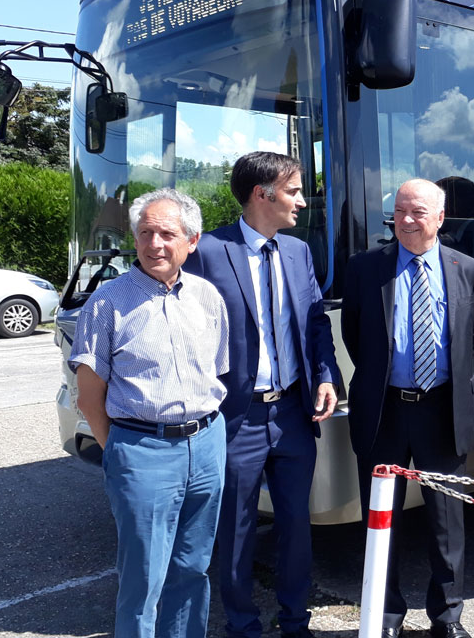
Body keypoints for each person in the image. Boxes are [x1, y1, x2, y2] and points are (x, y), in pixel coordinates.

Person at [185, 151, 340, 638]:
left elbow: (315, 323)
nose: (301, 200)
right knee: (236, 530)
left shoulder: (297, 252)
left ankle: (296, 622)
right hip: (237, 418)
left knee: (296, 526)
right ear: (262, 194)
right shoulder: (208, 251)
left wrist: (326, 374)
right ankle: (243, 626)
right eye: (293, 191)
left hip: (293, 413)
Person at [69, 188, 230, 637]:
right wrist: (122, 451)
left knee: (193, 569)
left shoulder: (207, 296)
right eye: (145, 233)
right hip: (142, 449)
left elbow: (217, 373)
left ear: (192, 241)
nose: (154, 244)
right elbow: (88, 397)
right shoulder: (107, 302)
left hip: (207, 443)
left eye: (166, 233)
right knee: (142, 578)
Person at [342, 179, 474, 638]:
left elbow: (470, 339)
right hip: (385, 410)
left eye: (417, 211)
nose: (405, 219)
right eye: (399, 210)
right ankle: (385, 617)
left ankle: (447, 619)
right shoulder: (365, 268)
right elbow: (356, 336)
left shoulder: (467, 268)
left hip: (441, 410)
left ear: (440, 218)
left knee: (447, 523)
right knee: (382, 520)